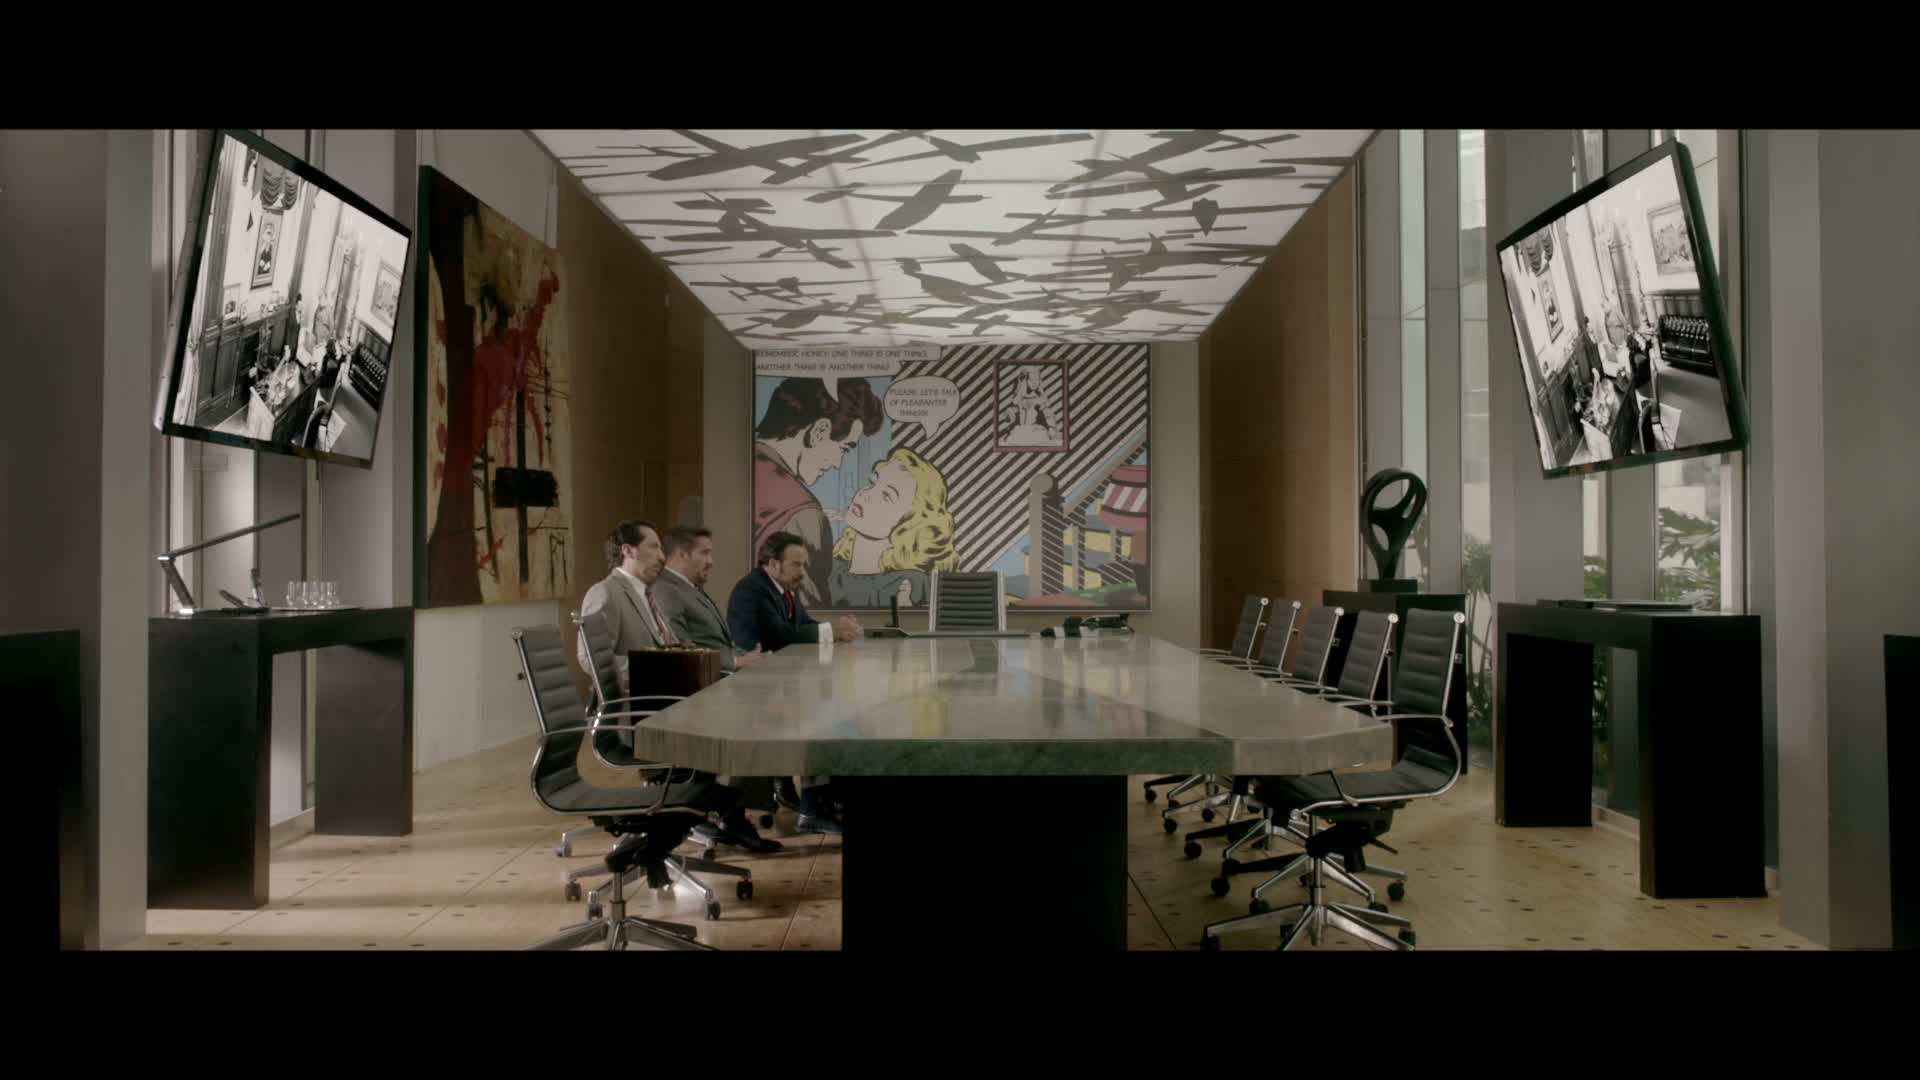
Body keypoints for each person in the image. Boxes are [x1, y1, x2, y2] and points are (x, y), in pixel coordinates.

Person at [580, 518, 780, 854]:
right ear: (628, 551)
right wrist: (657, 669)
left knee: (748, 715)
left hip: (666, 706)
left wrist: (682, 663)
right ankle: (720, 816)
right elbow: (590, 660)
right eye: (653, 547)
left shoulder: (645, 594)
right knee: (743, 721)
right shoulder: (605, 592)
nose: (662, 556)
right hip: (635, 716)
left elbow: (668, 650)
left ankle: (719, 813)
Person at [726, 531, 859, 834]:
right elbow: (780, 636)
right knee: (827, 717)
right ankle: (814, 808)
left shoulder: (782, 589)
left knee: (834, 708)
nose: (802, 571)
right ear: (773, 564)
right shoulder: (753, 590)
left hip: (779, 683)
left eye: (803, 565)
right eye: (796, 564)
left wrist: (838, 631)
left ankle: (825, 798)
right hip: (756, 690)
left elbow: (802, 624)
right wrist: (831, 631)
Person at [752, 376, 885, 607]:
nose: (837, 464)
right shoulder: (804, 515)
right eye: (844, 448)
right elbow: (809, 616)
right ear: (819, 431)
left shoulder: (744, 472)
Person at [828, 447, 958, 609]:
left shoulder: (908, 583)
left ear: (910, 523)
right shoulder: (830, 569)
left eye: (886, 495)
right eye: (873, 482)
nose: (866, 494)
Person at [652, 524, 764, 673]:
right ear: (682, 555)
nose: (711, 561)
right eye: (704, 553)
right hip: (708, 680)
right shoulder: (665, 590)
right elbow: (680, 648)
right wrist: (736, 662)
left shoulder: (690, 586)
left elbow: (719, 644)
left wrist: (750, 656)